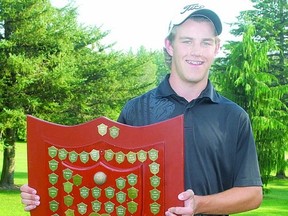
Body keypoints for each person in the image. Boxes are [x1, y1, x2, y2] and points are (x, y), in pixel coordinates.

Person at [21, 2, 263, 215]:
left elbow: (252, 193)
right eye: (187, 41)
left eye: (205, 42)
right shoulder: (137, 110)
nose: (196, 52)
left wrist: (199, 204)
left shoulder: (233, 117)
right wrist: (42, 193)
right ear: (170, 45)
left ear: (216, 48)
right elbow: (103, 179)